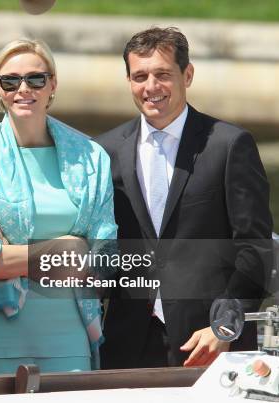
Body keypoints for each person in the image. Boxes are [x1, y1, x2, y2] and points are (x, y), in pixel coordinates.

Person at [96, 27, 273, 369]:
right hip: (125, 343)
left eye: (163, 74)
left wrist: (225, 325)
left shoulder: (229, 145)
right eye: (140, 76)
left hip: (209, 343)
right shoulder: (105, 151)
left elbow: (256, 249)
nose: (151, 87)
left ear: (187, 74)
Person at [0, 38, 117, 375]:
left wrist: (11, 254)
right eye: (10, 80)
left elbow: (105, 258)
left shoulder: (92, 156)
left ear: (52, 84)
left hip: (70, 338)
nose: (22, 89)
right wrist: (65, 248)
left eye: (35, 79)